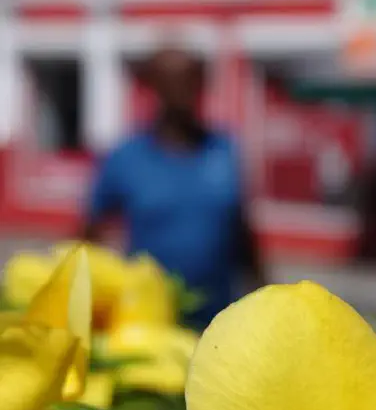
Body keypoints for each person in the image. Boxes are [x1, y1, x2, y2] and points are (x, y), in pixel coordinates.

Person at [83, 46, 264, 329]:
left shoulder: (224, 150)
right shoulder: (126, 157)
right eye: (174, 81)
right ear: (155, 86)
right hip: (147, 323)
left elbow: (243, 232)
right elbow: (90, 232)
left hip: (218, 319)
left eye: (193, 79)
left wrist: (264, 296)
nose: (185, 90)